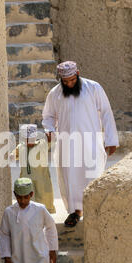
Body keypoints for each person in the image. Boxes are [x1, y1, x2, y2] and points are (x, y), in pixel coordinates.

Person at [42, 61, 119, 227]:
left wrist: (111, 140)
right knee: (70, 178)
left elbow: (106, 112)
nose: (69, 84)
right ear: (61, 80)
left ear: (77, 74)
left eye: (72, 80)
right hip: (66, 144)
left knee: (92, 175)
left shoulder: (93, 88)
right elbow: (48, 116)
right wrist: (49, 130)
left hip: (90, 142)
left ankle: (94, 211)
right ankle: (75, 212)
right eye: (66, 81)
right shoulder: (55, 94)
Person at [10, 124, 56, 213]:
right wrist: (11, 156)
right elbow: (14, 154)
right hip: (27, 179)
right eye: (27, 138)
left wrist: (50, 136)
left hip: (41, 180)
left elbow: (51, 141)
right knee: (29, 203)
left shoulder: (42, 144)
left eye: (31, 138)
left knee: (43, 199)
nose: (29, 141)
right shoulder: (21, 147)